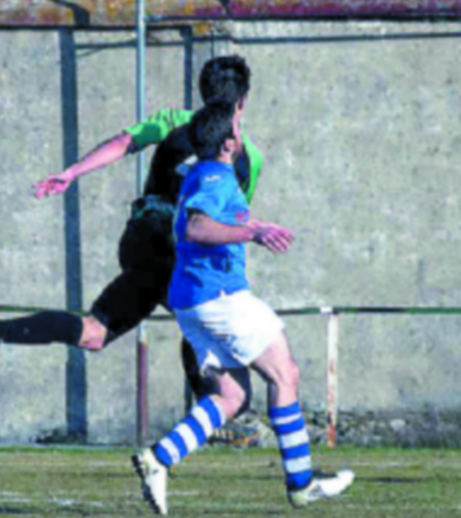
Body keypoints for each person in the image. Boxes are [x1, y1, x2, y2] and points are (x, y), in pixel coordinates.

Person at [0, 56, 261, 444]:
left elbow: (123, 143)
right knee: (202, 318)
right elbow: (221, 225)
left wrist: (73, 172)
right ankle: (215, 411)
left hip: (140, 241)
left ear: (200, 92)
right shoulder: (249, 157)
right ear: (243, 101)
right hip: (168, 246)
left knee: (94, 333)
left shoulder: (172, 121)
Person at [131, 100, 354, 515]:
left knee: (231, 395)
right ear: (230, 142)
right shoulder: (215, 176)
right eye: (238, 123)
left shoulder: (203, 172)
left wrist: (248, 228)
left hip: (196, 301)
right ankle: (302, 484)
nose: (242, 126)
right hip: (218, 297)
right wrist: (253, 230)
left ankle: (158, 459)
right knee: (285, 372)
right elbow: (196, 226)